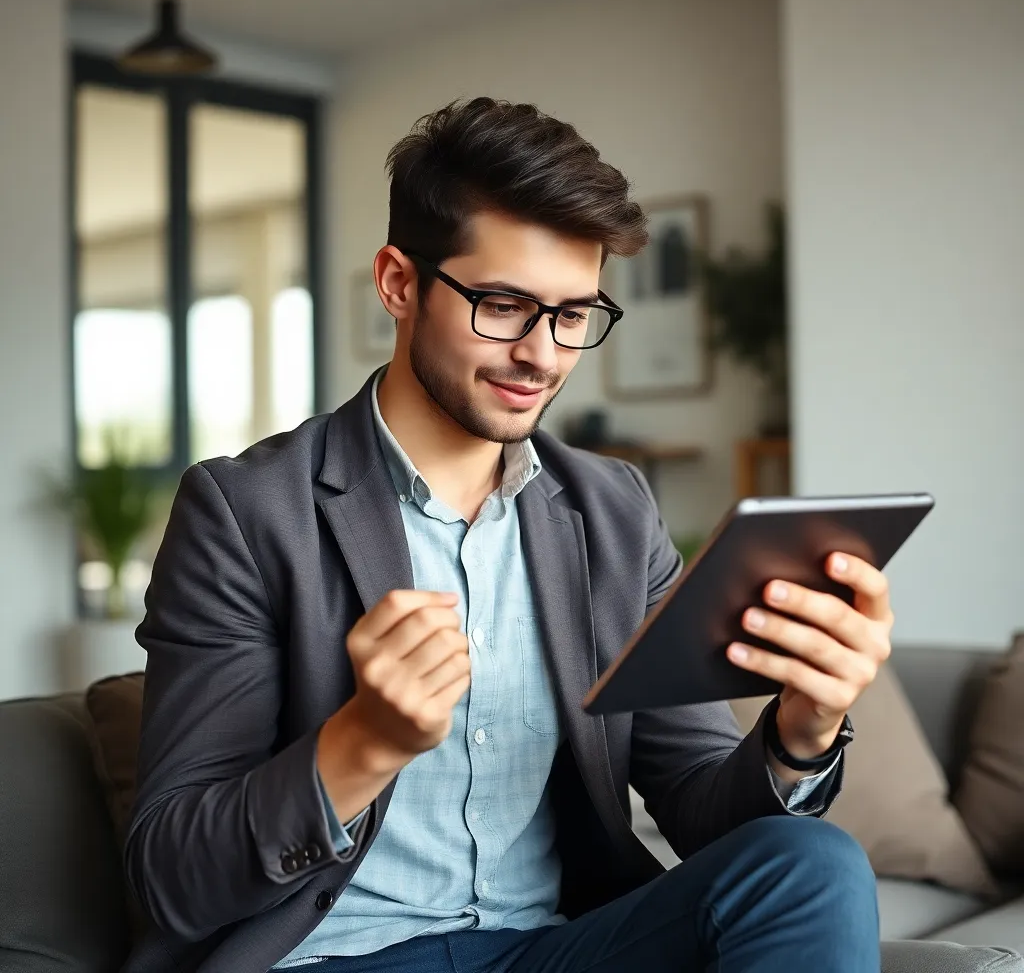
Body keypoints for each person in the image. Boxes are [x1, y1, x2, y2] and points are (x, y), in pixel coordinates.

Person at [124, 98, 889, 973]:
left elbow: (701, 807)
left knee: (812, 866)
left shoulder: (613, 511)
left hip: (551, 950)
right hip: (336, 959)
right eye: (503, 304)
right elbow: (170, 877)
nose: (543, 355)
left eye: (572, 315)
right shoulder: (246, 511)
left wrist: (803, 730)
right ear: (398, 284)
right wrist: (361, 744)